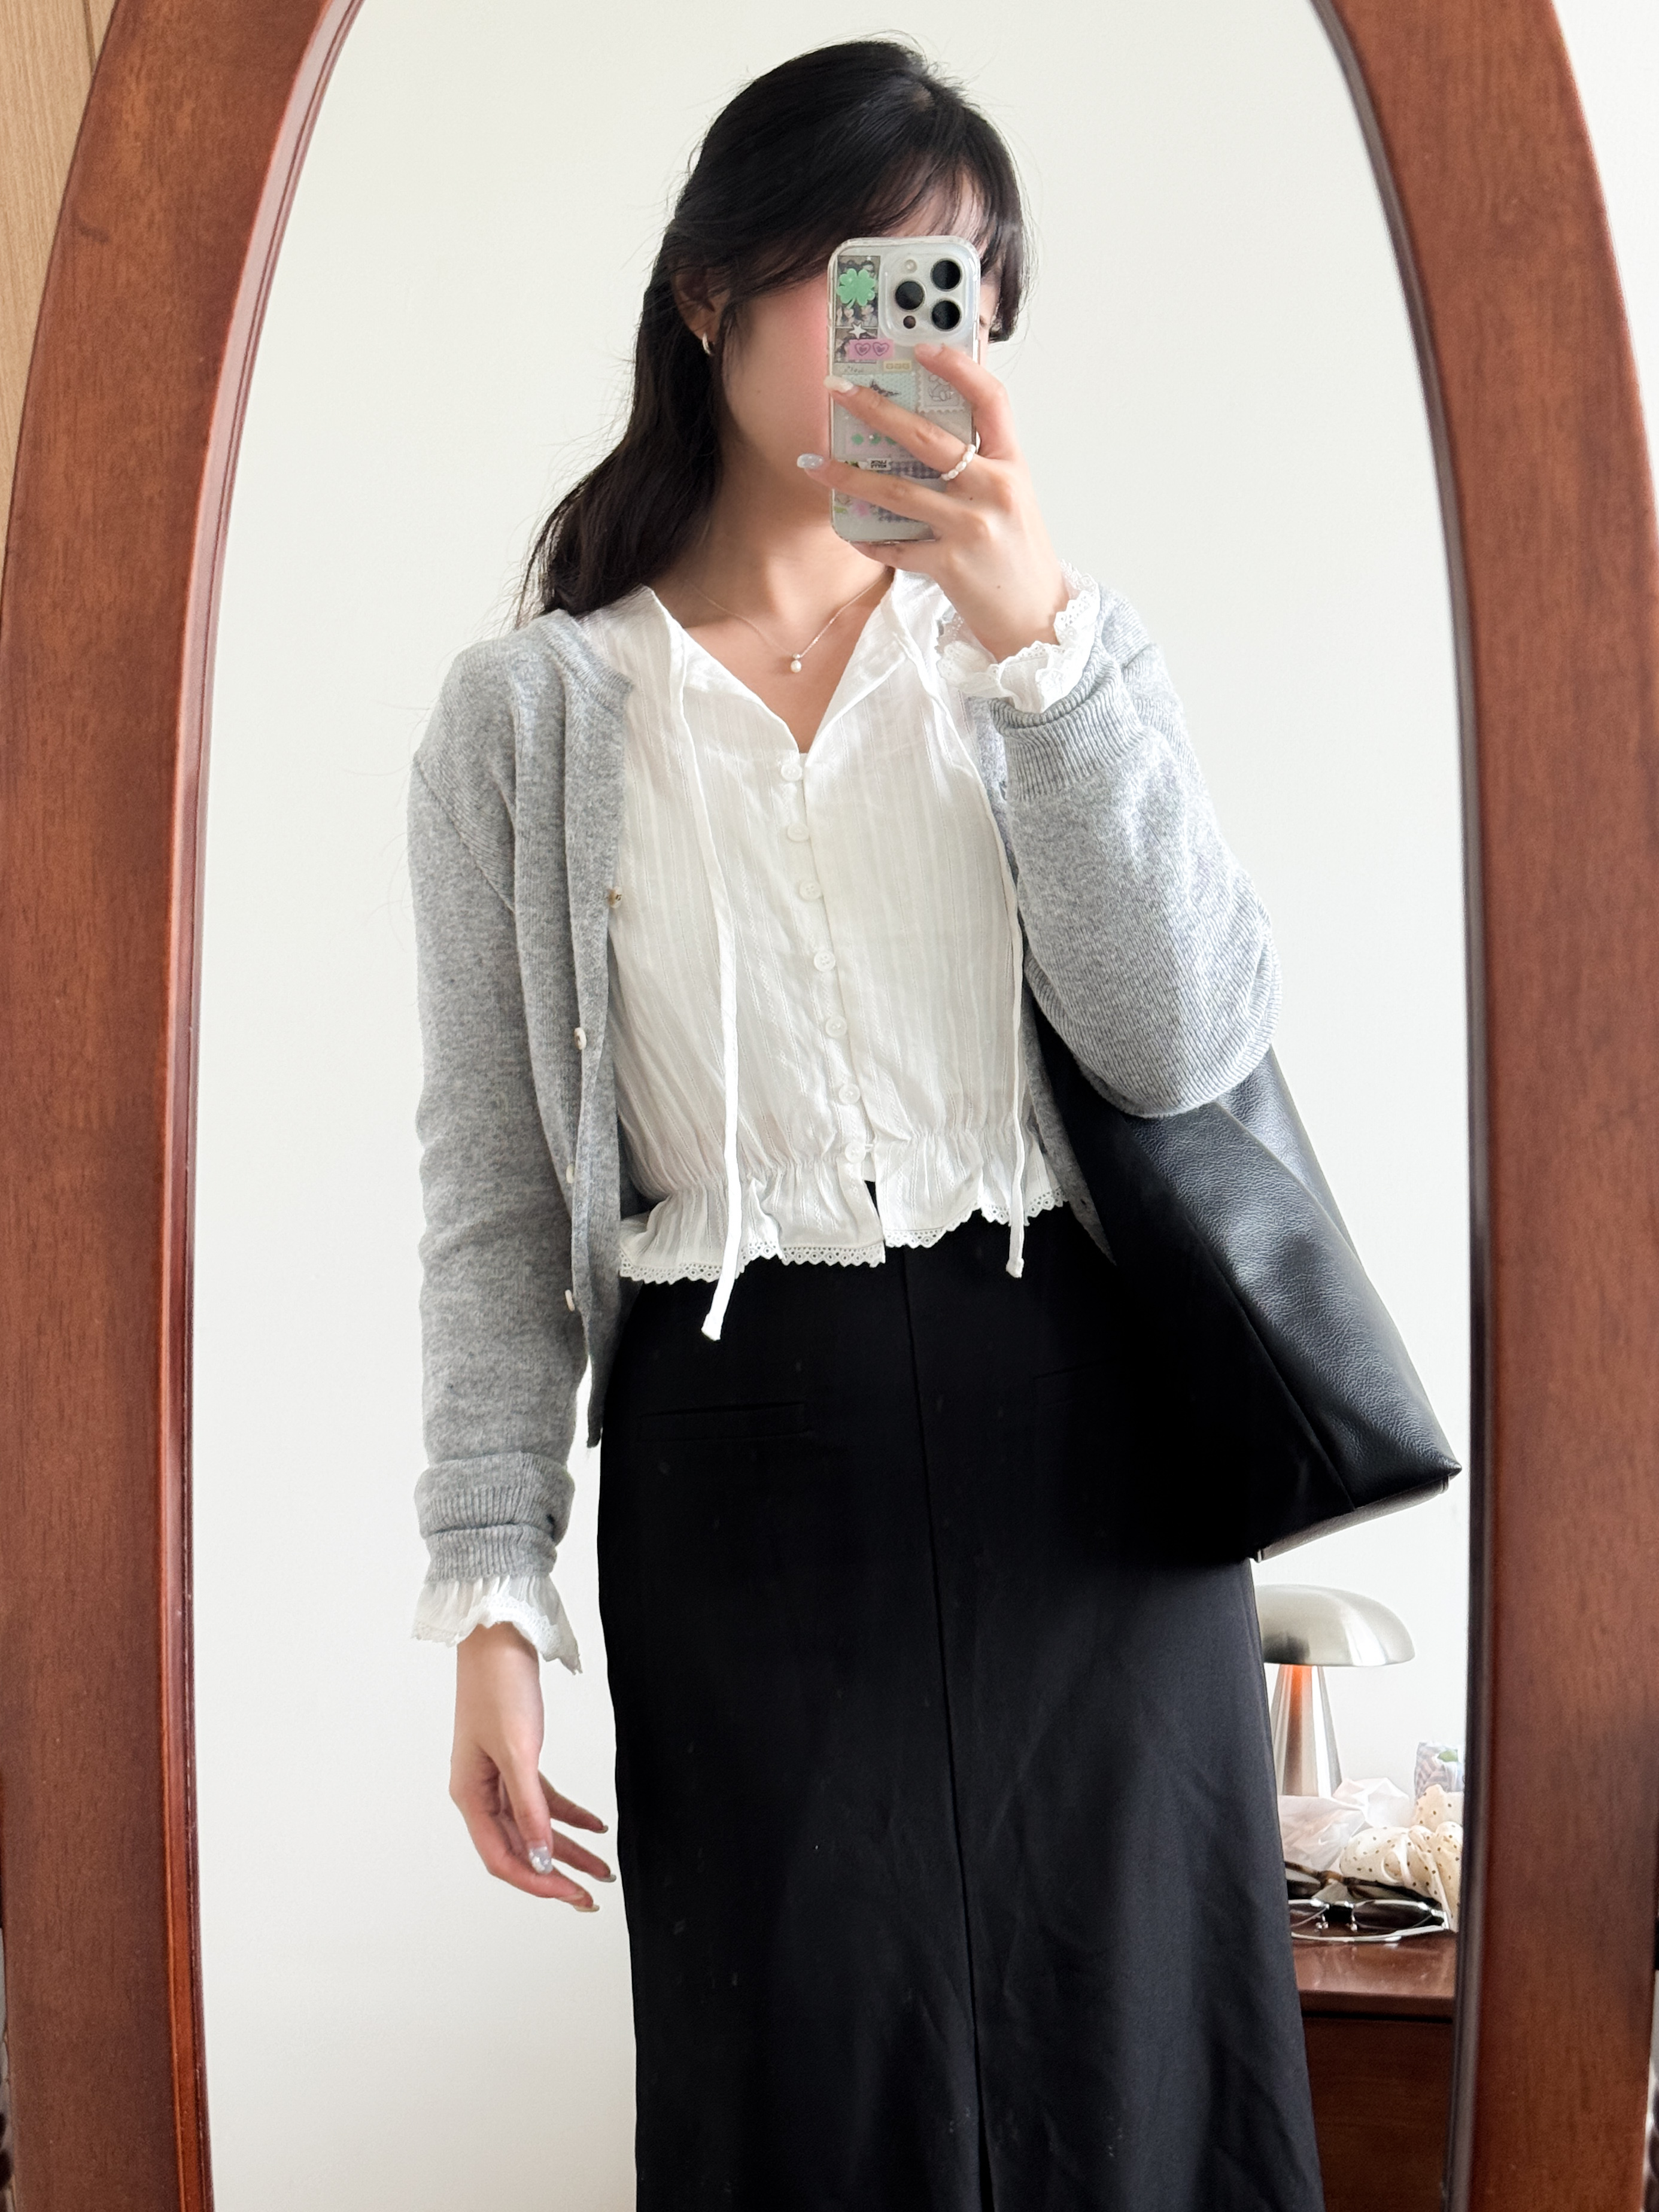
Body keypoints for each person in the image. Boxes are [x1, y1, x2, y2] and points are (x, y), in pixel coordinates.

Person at [406, 38, 1324, 2212]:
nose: (916, 330)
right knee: (804, 2102)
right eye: (861, 276)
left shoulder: (1048, 655)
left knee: (1130, 2086)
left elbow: (1181, 1042)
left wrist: (1037, 645)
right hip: (741, 1469)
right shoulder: (529, 720)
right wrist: (491, 1596)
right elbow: (495, 1201)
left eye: (957, 290)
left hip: (1087, 1458)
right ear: (709, 294)